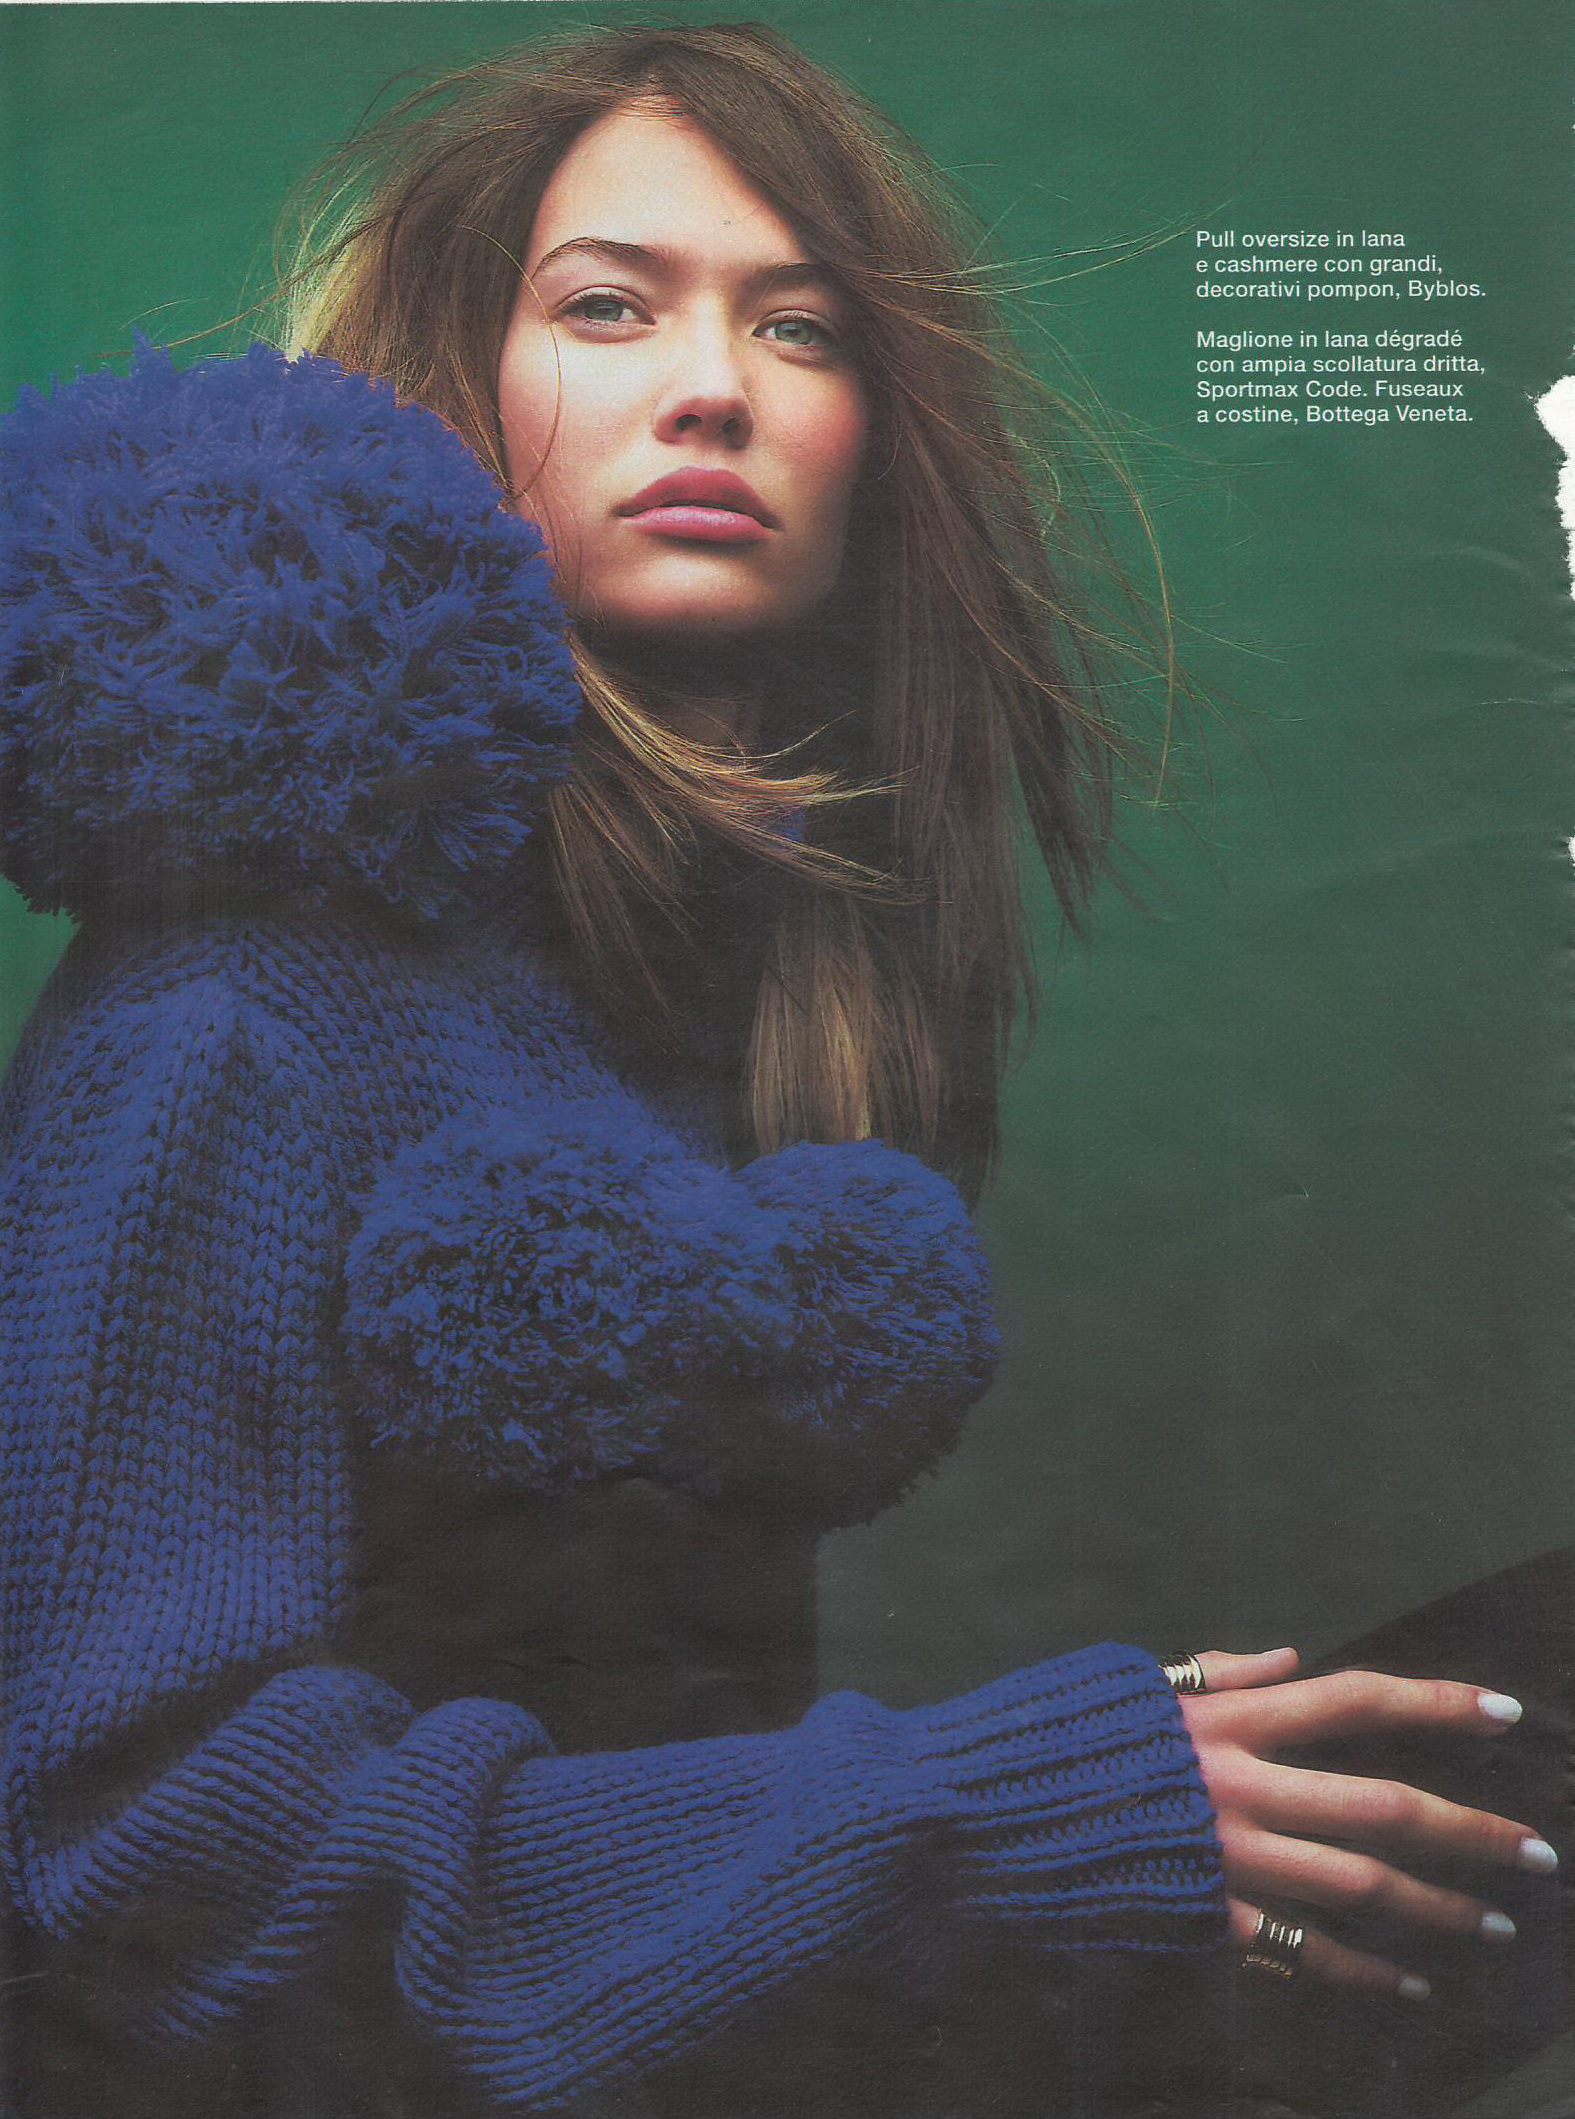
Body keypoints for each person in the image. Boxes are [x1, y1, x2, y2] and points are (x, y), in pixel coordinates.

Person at [0, 22, 1558, 2119]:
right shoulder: (237, 1000)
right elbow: (129, 1878)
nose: (714, 384)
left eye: (799, 325)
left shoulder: (749, 1013)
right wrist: (1003, 1822)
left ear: (874, 444)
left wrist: (1069, 1837)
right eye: (606, 306)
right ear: (451, 383)